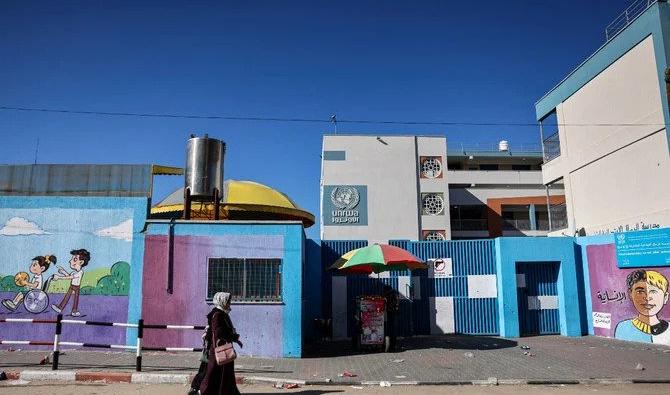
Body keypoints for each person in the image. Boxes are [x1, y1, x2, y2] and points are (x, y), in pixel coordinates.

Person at [199, 292, 243, 395]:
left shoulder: (222, 313)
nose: (229, 304)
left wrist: (235, 338)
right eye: (228, 301)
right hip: (219, 350)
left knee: (223, 374)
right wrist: (230, 336)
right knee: (215, 373)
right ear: (222, 301)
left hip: (223, 348)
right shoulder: (218, 315)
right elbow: (218, 331)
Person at [614, 269, 670, 345]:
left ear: (665, 297)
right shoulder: (622, 328)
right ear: (630, 294)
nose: (647, 297)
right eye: (640, 292)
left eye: (653, 291)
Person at [51, 249, 90, 317]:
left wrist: (59, 277)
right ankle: (60, 308)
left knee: (75, 299)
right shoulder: (74, 272)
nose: (70, 261)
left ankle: (74, 311)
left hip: (76, 287)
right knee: (67, 297)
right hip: (72, 286)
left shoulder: (80, 273)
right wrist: (63, 271)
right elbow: (69, 276)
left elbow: (70, 277)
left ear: (81, 262)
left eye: (74, 259)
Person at [188, 325, 210, 395]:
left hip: (209, 352)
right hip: (209, 353)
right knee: (204, 371)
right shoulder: (215, 319)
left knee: (204, 371)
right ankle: (195, 388)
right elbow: (205, 337)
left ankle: (195, 388)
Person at [383, 285, 399, 352]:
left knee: (391, 328)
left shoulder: (389, 294)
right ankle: (393, 344)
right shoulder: (395, 293)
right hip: (393, 312)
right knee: (392, 328)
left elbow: (392, 303)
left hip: (390, 312)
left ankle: (392, 344)